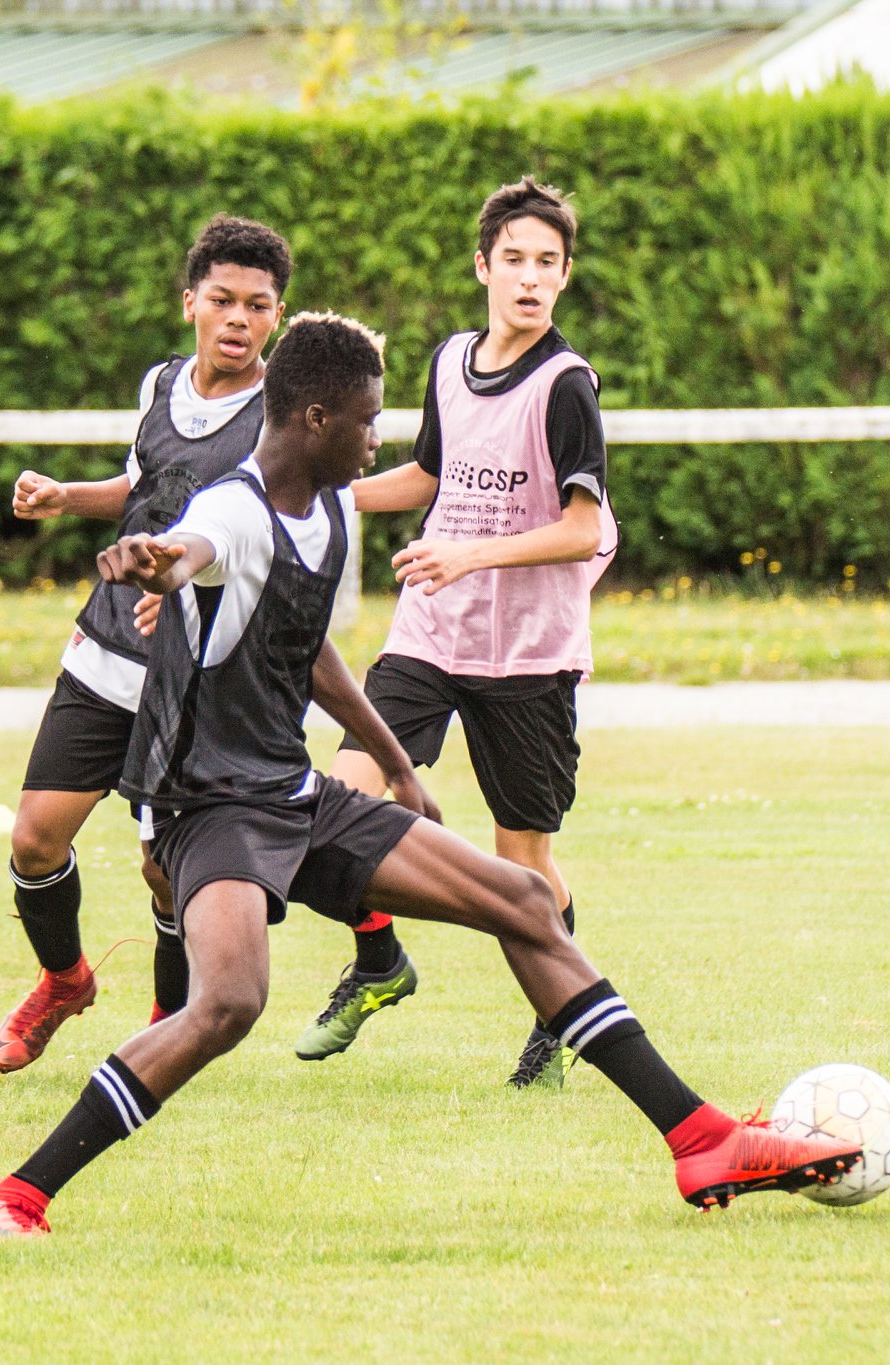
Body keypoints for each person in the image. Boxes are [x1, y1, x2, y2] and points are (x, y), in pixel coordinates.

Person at [0, 313, 859, 1237]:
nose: (380, 436)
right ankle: (18, 1195)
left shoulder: (330, 511)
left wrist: (392, 761)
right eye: (368, 418)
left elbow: (309, 652)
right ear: (312, 417)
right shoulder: (234, 507)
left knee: (524, 898)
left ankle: (699, 1137)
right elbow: (194, 545)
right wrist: (157, 562)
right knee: (228, 1002)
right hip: (209, 805)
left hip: (295, 794)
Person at [293, 178, 617, 1093]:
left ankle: (558, 1024)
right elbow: (432, 475)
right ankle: (379, 962)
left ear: (564, 277)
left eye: (546, 263)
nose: (528, 277)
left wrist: (468, 556)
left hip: (528, 658)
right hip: (430, 639)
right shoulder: (447, 360)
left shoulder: (566, 386)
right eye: (512, 259)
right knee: (331, 809)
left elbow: (584, 529)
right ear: (483, 266)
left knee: (527, 871)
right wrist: (326, 487)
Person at [0, 214, 300, 1073]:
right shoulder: (161, 383)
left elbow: (266, 546)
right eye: (224, 299)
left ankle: (166, 1025)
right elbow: (140, 486)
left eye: (258, 305)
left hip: (195, 678)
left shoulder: (281, 421)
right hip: (105, 651)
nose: (239, 317)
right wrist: (65, 495)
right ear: (190, 301)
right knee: (34, 839)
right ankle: (64, 979)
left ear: (278, 316)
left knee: (166, 870)